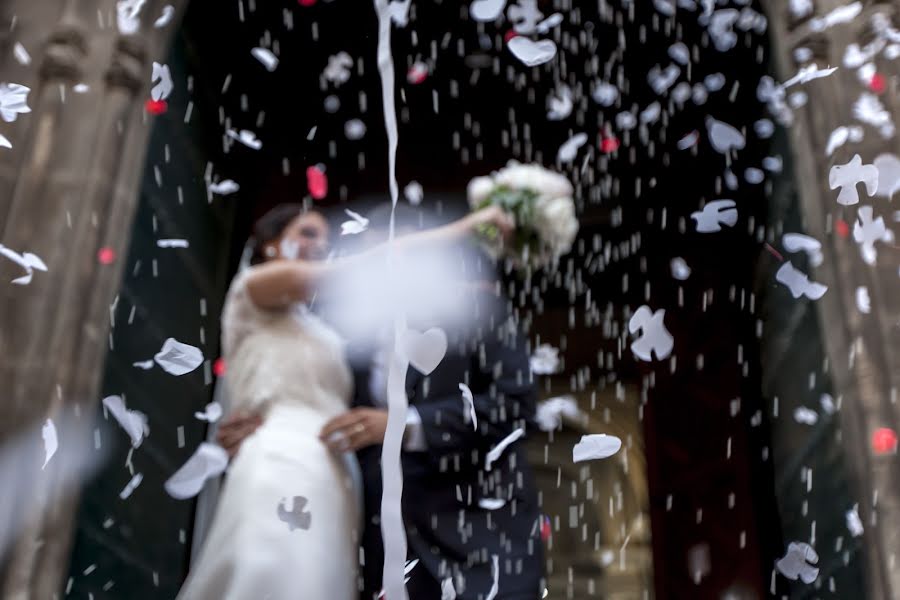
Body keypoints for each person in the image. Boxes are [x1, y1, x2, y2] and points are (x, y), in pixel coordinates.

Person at [177, 202, 512, 600]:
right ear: (269, 245)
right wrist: (464, 228)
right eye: (306, 233)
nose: (319, 244)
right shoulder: (252, 289)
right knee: (273, 566)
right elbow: (364, 271)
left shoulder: (323, 328)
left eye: (324, 238)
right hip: (281, 457)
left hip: (336, 475)